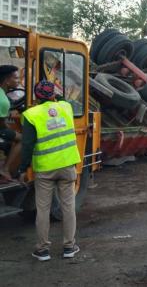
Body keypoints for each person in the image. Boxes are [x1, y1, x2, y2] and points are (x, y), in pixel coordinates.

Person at [17, 80, 81, 261]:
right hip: (67, 166)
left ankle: (43, 250)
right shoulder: (65, 107)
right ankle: (69, 247)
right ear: (53, 95)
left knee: (43, 209)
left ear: (36, 97)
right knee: (68, 207)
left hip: (45, 170)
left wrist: (23, 169)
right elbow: (60, 97)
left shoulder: (31, 114)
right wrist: (54, 91)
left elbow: (27, 145)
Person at [0, 65, 22, 181]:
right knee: (22, 139)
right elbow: (2, 125)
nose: (18, 81)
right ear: (7, 81)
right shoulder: (3, 101)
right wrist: (12, 130)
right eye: (16, 78)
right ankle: (5, 168)